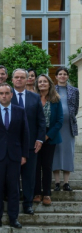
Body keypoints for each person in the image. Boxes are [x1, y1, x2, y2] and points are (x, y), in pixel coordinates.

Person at [0, 83, 29, 229]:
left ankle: (13, 218)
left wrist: (24, 154)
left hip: (15, 156)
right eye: (1, 93)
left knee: (14, 189)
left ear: (11, 95)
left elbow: (25, 134)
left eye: (6, 93)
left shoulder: (20, 111)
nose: (4, 96)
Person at [11, 68, 45, 215]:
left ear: (27, 80)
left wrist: (39, 139)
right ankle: (12, 203)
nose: (19, 80)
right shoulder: (6, 95)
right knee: (11, 176)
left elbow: (41, 121)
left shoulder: (35, 97)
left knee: (29, 176)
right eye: (16, 77)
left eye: (22, 77)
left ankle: (28, 204)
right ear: (12, 80)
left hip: (31, 144)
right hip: (10, 145)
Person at [33, 74, 63, 206]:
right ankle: (37, 193)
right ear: (37, 85)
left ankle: (47, 194)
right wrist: (38, 136)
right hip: (35, 137)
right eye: (40, 82)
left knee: (46, 166)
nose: (42, 84)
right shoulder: (33, 98)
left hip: (50, 137)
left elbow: (59, 121)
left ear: (49, 84)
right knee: (35, 166)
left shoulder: (56, 99)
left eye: (45, 81)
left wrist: (47, 135)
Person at [53, 67, 79, 191]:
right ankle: (57, 182)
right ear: (56, 77)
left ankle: (66, 183)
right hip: (55, 127)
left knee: (68, 152)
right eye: (60, 74)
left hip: (68, 126)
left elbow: (75, 107)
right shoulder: (52, 89)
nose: (62, 76)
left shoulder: (74, 90)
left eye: (65, 74)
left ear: (67, 76)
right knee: (56, 152)